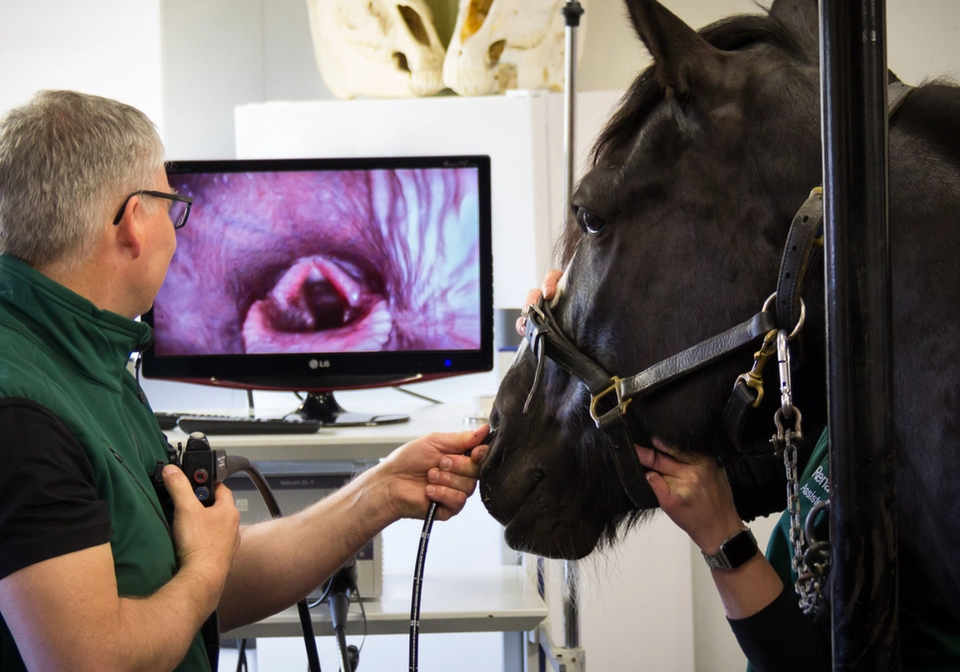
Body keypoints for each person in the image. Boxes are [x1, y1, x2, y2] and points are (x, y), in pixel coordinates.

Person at [0, 90, 488, 672]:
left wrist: (380, 490)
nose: (176, 230)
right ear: (135, 221)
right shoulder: (22, 411)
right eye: (172, 207)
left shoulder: (89, 368)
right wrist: (204, 569)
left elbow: (194, 594)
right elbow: (92, 661)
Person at [522, 270, 960, 672]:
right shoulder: (875, 401)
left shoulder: (937, 464)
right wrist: (567, 357)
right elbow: (746, 477)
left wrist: (722, 539)